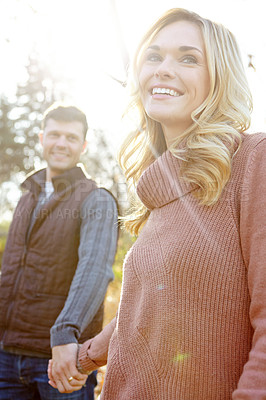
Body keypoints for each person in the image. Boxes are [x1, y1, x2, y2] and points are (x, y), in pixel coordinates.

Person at [50, 8, 266, 399]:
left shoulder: (254, 160)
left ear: (220, 77)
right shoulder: (157, 188)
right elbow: (150, 303)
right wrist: (85, 357)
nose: (163, 69)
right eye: (153, 56)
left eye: (188, 58)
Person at [0, 103, 118, 399]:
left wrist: (65, 334)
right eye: (54, 135)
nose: (61, 144)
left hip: (60, 358)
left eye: (71, 137)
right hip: (6, 355)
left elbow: (94, 270)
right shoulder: (27, 197)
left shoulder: (97, 199)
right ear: (42, 138)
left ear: (83, 145)